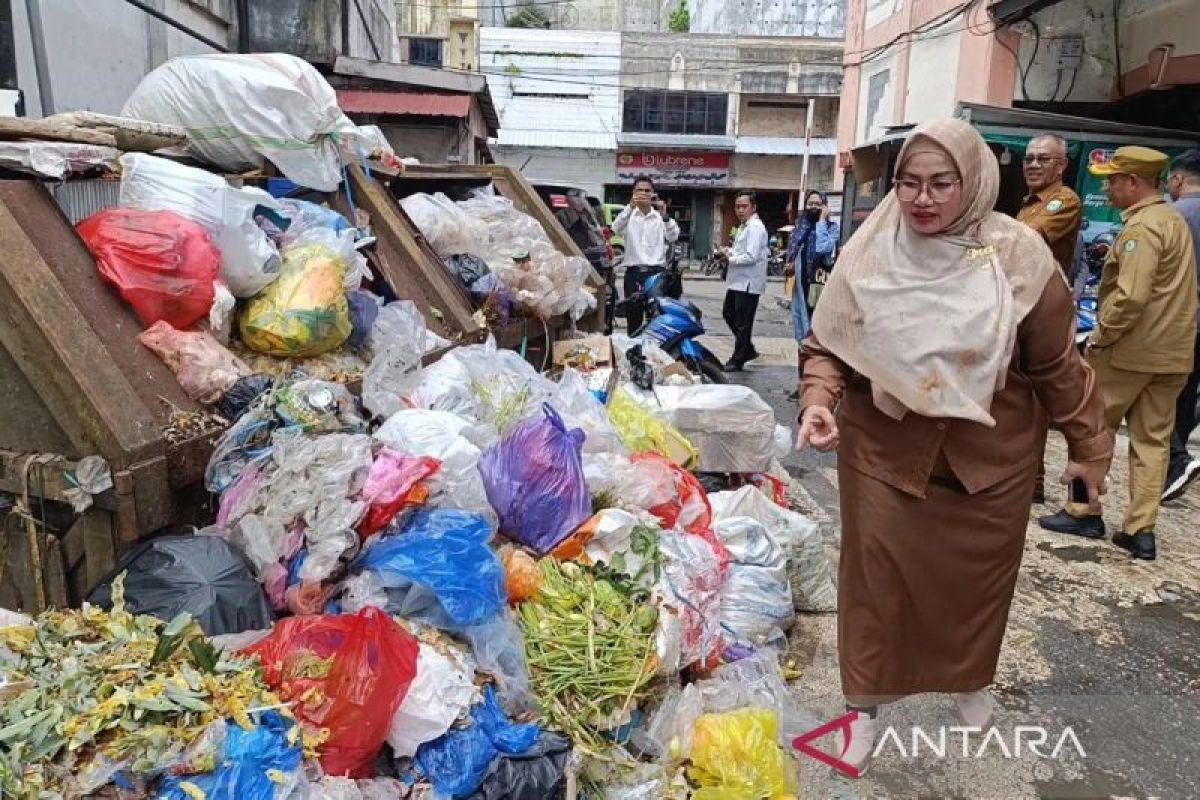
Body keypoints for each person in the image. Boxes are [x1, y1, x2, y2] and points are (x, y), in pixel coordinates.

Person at [796, 119, 1111, 774]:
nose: (923, 199)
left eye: (942, 183)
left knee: (974, 591)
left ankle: (969, 680)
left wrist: (1087, 449)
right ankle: (862, 711)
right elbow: (830, 342)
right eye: (909, 182)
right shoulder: (873, 248)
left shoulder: (1010, 255)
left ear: (972, 184)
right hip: (885, 451)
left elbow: (1058, 368)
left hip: (987, 460)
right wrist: (819, 400)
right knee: (874, 588)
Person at [1039, 146, 1197, 560]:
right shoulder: (1172, 220)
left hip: (1128, 353)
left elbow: (1131, 296)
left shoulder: (1142, 230)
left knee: (1089, 428)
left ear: (1133, 182)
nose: (1107, 188)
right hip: (1172, 354)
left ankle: (1082, 509)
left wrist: (1101, 337)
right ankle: (1140, 531)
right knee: (1153, 441)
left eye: (1112, 180)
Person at [1015, 134, 1085, 504]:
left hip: (1044, 310)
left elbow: (1023, 241)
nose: (1033, 165)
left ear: (1062, 165)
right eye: (1029, 159)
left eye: (1043, 159)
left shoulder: (1064, 200)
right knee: (1021, 396)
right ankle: (1026, 476)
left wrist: (978, 252)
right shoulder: (1027, 205)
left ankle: (1034, 482)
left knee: (1038, 397)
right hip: (1021, 306)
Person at [1163, 149, 1200, 501]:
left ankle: (1175, 461)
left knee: (1158, 396)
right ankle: (1171, 472)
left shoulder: (1173, 217)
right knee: (1187, 397)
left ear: (1177, 178)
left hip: (1179, 322)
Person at [785, 189, 839, 400]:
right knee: (801, 339)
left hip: (819, 293)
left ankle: (816, 387)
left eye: (818, 204)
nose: (814, 207)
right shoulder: (800, 229)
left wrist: (822, 222)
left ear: (825, 206)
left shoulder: (831, 229)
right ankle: (802, 384)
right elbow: (793, 252)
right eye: (810, 203)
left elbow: (822, 249)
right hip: (800, 291)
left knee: (816, 340)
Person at [610, 176, 679, 332]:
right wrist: (630, 206)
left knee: (656, 317)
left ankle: (653, 353)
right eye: (639, 190)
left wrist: (665, 215)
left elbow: (673, 236)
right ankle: (633, 351)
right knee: (633, 317)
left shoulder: (660, 217)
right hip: (634, 274)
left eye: (647, 190)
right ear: (633, 193)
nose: (643, 194)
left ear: (653, 194)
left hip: (656, 275)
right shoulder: (629, 215)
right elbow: (615, 227)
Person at [720, 190, 769, 372]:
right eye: (737, 206)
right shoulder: (744, 226)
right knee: (728, 314)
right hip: (737, 281)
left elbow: (750, 256)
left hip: (748, 283)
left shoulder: (755, 227)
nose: (740, 210)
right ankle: (746, 349)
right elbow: (741, 251)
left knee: (742, 323)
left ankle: (739, 358)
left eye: (744, 206)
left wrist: (730, 259)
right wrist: (728, 252)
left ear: (753, 207)